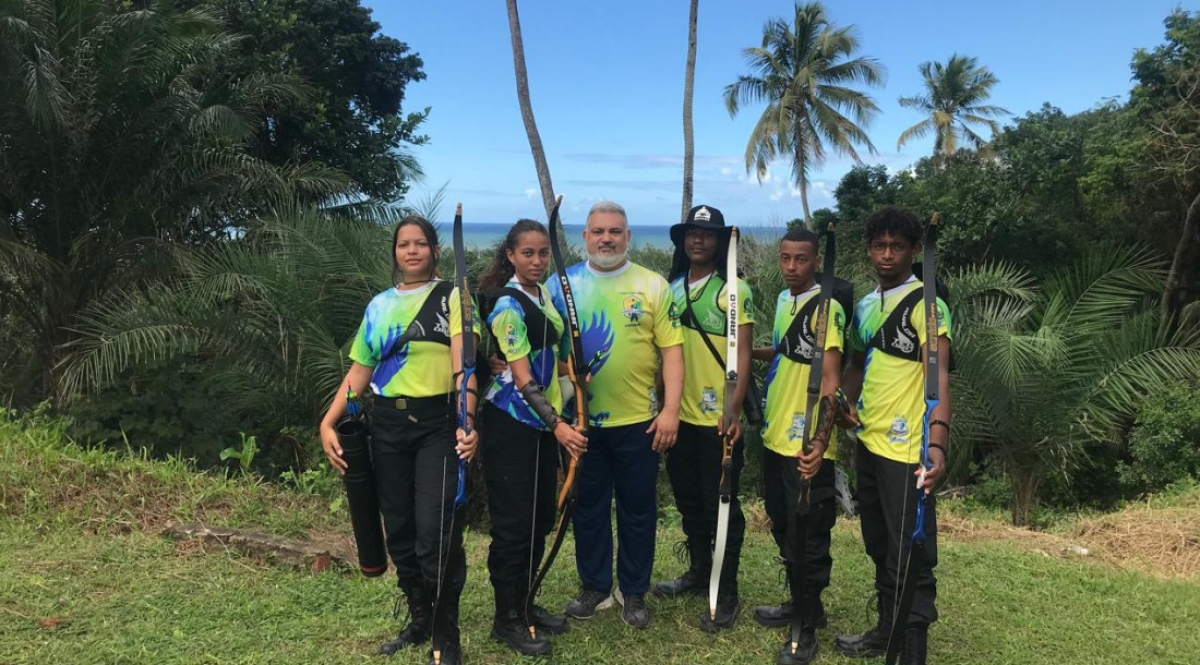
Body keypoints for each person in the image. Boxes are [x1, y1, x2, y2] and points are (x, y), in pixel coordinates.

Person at [319, 215, 480, 665]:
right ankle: (418, 617)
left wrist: (467, 420)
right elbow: (359, 373)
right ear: (395, 252)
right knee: (402, 533)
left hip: (437, 426)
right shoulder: (379, 305)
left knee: (437, 534)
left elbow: (462, 367)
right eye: (404, 244)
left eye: (421, 244)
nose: (412, 251)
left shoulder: (454, 297)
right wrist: (328, 422)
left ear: (435, 250)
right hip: (387, 426)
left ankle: (447, 632)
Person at [545, 200, 684, 629]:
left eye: (615, 231)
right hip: (581, 423)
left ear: (628, 236)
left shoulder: (652, 284)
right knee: (587, 508)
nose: (607, 238)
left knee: (638, 509)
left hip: (639, 422)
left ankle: (634, 591)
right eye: (598, 231)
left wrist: (671, 412)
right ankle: (595, 587)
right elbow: (543, 353)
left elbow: (672, 353)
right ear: (584, 237)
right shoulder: (558, 284)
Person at [836, 206, 951, 665]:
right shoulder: (866, 305)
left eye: (897, 246)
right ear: (868, 250)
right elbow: (857, 367)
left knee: (911, 551)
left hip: (909, 451)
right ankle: (887, 630)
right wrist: (843, 403)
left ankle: (912, 650)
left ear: (911, 251)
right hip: (869, 441)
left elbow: (939, 375)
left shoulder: (928, 307)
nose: (887, 255)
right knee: (879, 544)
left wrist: (938, 443)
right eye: (879, 246)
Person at [475, 220, 588, 657]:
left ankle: (525, 603)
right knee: (513, 527)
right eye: (528, 254)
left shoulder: (542, 296)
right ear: (510, 256)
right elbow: (522, 379)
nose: (537, 262)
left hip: (543, 424)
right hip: (512, 422)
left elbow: (549, 360)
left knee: (540, 517)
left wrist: (575, 376)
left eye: (544, 253)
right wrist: (560, 426)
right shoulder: (507, 306)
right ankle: (506, 620)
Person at [749, 227, 850, 664]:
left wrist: (820, 441)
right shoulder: (783, 301)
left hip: (806, 445)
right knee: (783, 524)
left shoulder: (827, 311)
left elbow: (830, 380)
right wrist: (745, 352)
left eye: (802, 260)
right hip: (775, 434)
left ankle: (805, 628)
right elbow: (790, 351)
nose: (792, 267)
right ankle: (803, 604)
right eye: (785, 258)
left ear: (815, 263)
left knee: (809, 534)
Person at [652, 204, 753, 633]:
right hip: (679, 416)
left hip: (717, 421)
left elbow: (743, 353)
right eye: (691, 234)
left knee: (722, 507)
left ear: (719, 242)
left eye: (707, 235)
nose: (698, 240)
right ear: (682, 240)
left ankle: (725, 590)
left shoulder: (733, 291)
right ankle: (698, 571)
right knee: (689, 501)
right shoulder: (672, 289)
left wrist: (733, 411)